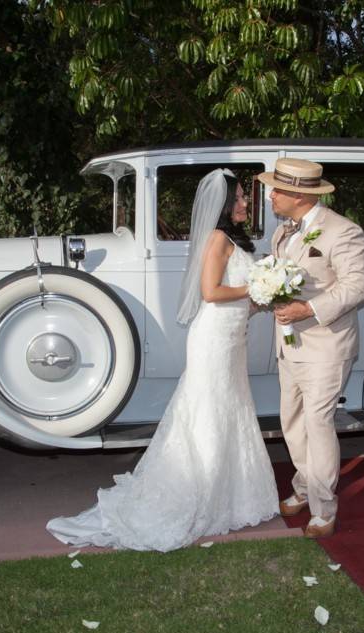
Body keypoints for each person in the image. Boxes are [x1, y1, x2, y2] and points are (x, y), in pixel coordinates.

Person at [46, 169, 279, 551]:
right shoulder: (218, 239)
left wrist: (259, 300)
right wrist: (254, 285)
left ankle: (231, 493)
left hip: (231, 336)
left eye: (243, 197)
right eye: (238, 198)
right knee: (209, 411)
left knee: (230, 408)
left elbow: (235, 297)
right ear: (222, 204)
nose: (244, 203)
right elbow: (211, 291)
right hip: (213, 339)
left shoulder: (233, 241)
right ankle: (196, 490)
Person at [258, 158, 364, 539]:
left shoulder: (343, 231)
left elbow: (356, 286)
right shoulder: (283, 232)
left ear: (298, 195)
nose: (270, 194)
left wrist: (308, 309)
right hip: (289, 346)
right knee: (291, 421)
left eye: (276, 189)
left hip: (327, 347)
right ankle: (304, 487)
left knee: (318, 424)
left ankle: (324, 509)